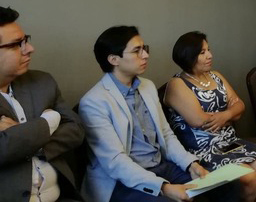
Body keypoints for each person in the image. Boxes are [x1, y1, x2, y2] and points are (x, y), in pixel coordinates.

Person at [79, 26, 210, 202]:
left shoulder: (147, 86)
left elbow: (166, 134)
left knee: (208, 189)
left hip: (161, 166)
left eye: (144, 48)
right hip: (121, 181)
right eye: (136, 51)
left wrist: (190, 164)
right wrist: (164, 187)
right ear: (114, 59)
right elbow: (116, 162)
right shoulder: (94, 102)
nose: (146, 55)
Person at [163, 31, 256, 202]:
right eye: (202, 52)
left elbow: (240, 105)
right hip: (202, 151)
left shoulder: (216, 76)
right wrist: (231, 114)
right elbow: (200, 121)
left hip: (230, 142)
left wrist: (225, 115)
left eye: (208, 50)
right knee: (248, 177)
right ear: (188, 56)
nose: (210, 55)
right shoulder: (177, 84)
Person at [0, 6, 85, 202]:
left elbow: (76, 129)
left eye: (26, 40)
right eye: (16, 44)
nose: (30, 48)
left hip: (62, 196)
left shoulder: (42, 82)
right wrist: (51, 119)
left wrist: (23, 137)